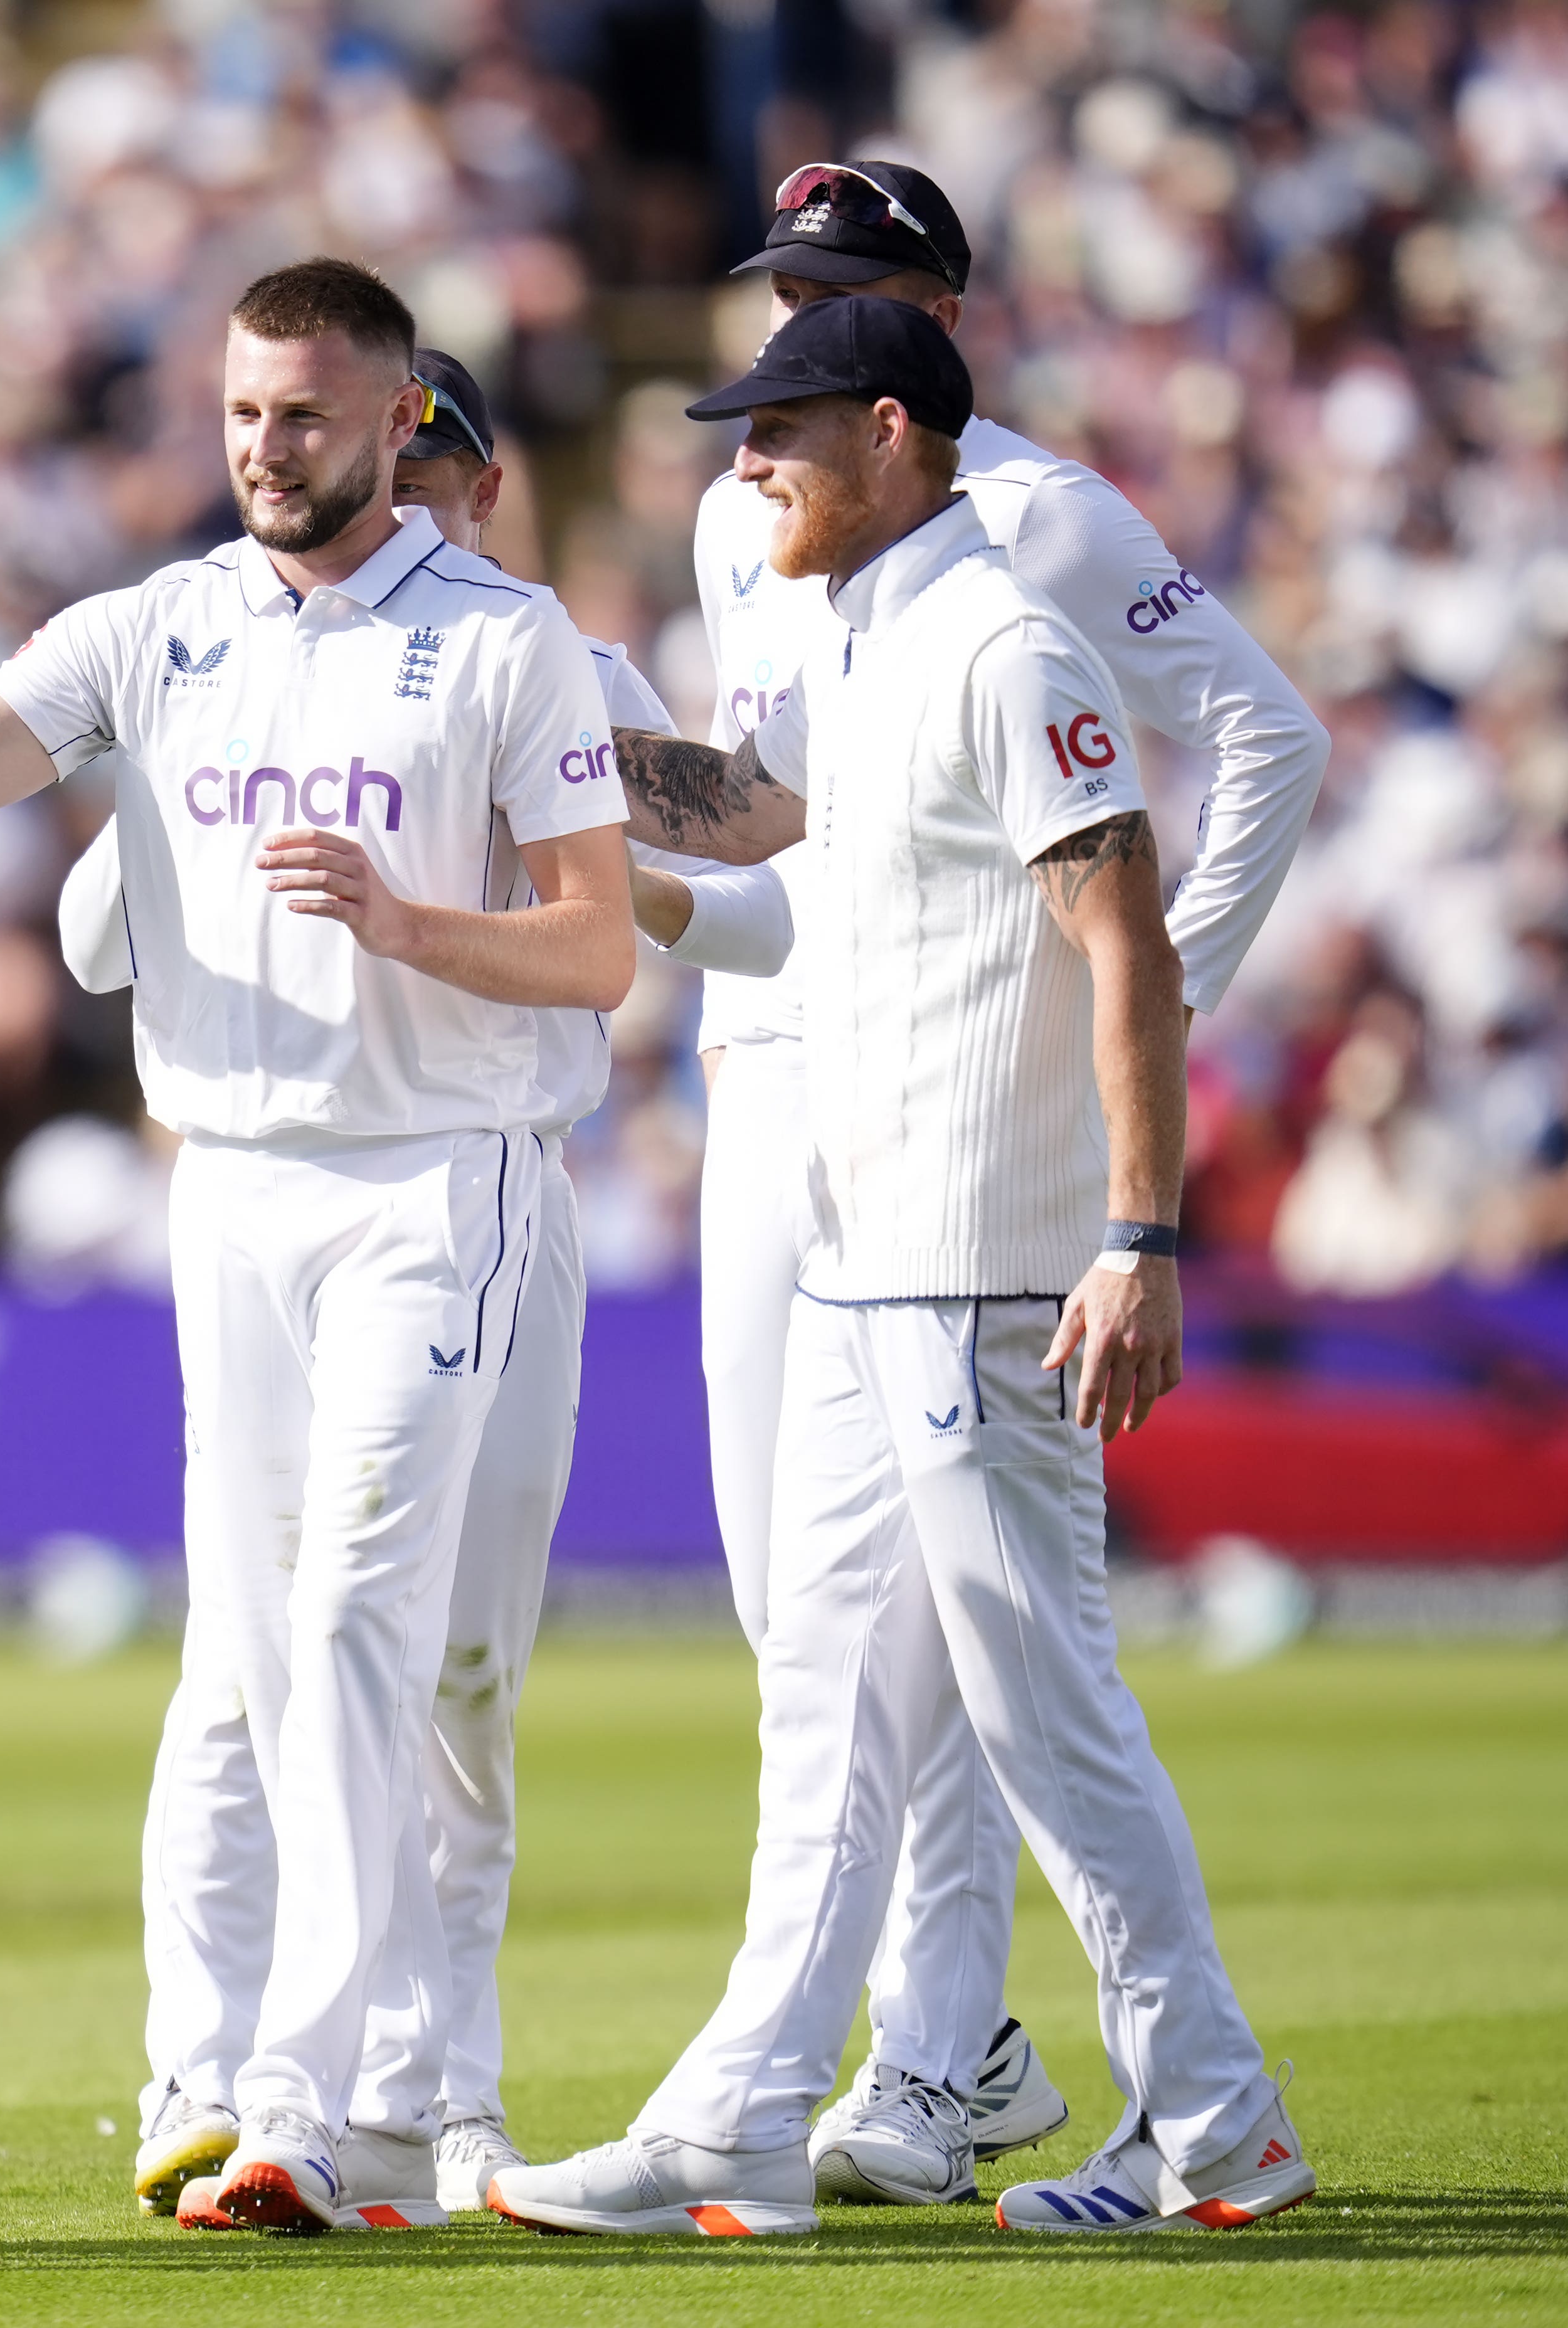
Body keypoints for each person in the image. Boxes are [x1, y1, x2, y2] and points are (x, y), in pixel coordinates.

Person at [0, 258, 636, 2234]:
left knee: (381, 1633)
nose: (264, 450)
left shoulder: (507, 642)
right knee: (262, 1660)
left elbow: (602, 946)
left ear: (393, 424)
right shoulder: (157, 630)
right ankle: (269, 2085)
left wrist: (408, 924)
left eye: (304, 416)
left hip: (435, 1179)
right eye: (239, 413)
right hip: (235, 1190)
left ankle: (316, 2105)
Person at [494, 297, 1313, 2240]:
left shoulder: (1006, 642)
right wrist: (589, 829)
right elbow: (800, 901)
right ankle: (747, 2115)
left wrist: (1138, 1229)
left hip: (980, 1260)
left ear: (890, 430)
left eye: (781, 426)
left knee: (1043, 1710)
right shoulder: (856, 641)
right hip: (871, 1256)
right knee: (827, 1695)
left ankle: (1220, 2123)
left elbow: (1129, 943)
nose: (747, 459)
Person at [53, 347, 790, 2220]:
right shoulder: (231, 643)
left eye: (458, 463)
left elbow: (754, 842)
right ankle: (202, 2075)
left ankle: (434, 2087)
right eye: (424, 457)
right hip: (290, 1175)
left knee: (457, 1669)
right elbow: (89, 934)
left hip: (490, 1188)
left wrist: (609, 817)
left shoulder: (539, 660)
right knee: (251, 1661)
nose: (440, 493)